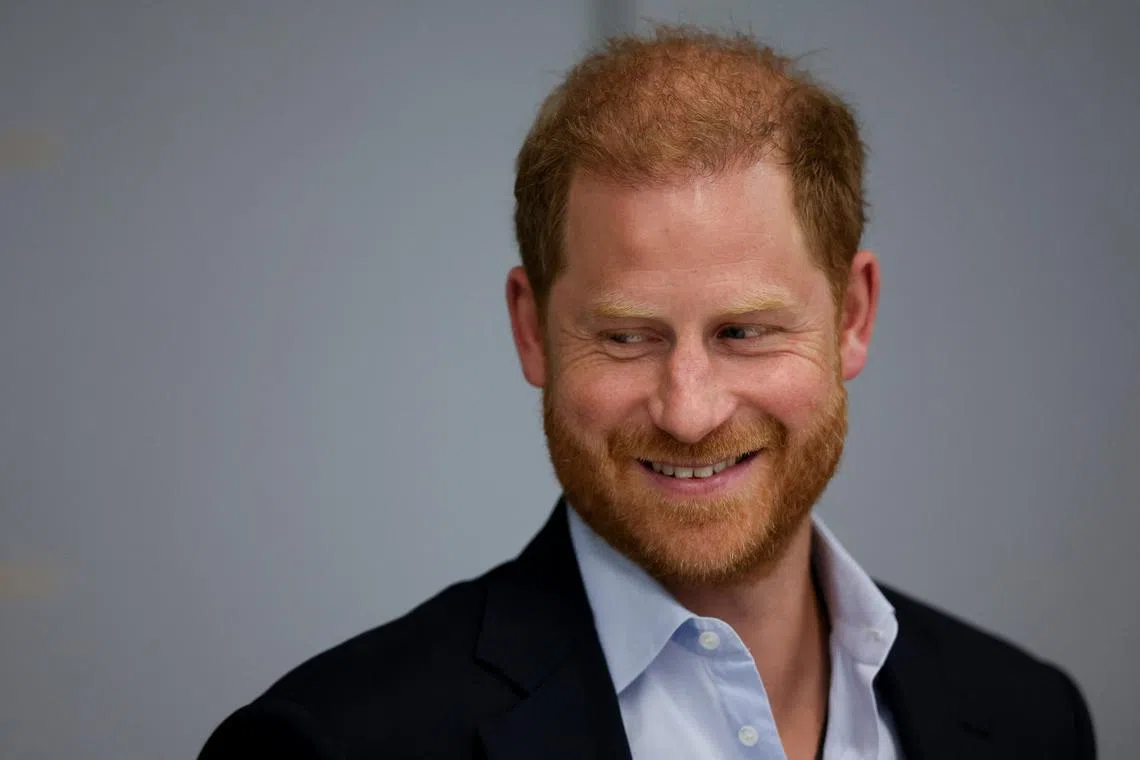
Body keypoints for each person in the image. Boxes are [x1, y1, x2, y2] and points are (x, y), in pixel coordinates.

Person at [198, 26, 1095, 759]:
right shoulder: (329, 745)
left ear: (853, 316)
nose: (690, 410)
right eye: (627, 338)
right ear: (531, 330)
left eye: (745, 333)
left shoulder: (1031, 721)